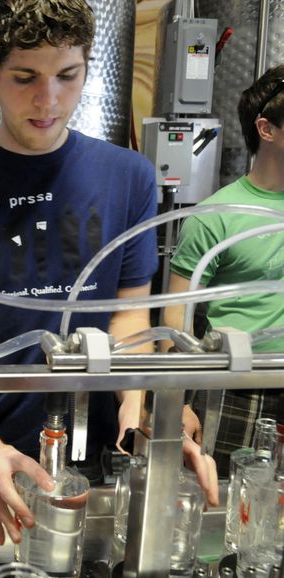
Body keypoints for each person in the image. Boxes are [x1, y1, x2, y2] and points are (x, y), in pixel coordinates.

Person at [0, 0, 218, 546]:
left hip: (90, 460)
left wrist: (144, 426)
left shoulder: (128, 179)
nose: (49, 100)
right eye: (25, 78)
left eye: (68, 76)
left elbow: (130, 324)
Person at [163, 64, 284, 476]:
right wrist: (178, 404)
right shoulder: (216, 217)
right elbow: (175, 318)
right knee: (226, 507)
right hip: (237, 390)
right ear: (266, 129)